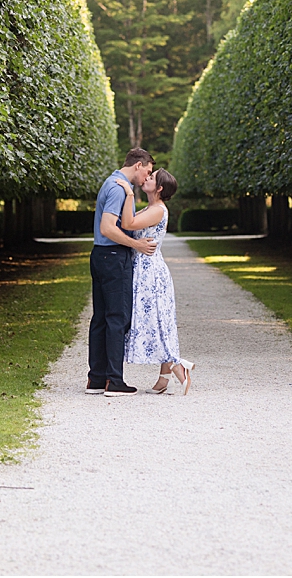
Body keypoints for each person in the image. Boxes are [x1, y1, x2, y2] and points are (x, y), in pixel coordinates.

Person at [115, 168, 194, 395]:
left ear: (159, 188)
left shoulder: (158, 210)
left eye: (151, 177)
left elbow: (128, 224)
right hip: (144, 269)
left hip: (150, 272)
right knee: (158, 320)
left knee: (157, 321)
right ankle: (165, 377)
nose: (146, 178)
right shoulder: (151, 208)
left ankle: (178, 366)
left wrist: (130, 194)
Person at [87, 148, 157, 397]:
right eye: (147, 171)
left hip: (100, 255)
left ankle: (96, 379)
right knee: (117, 318)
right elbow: (107, 228)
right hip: (114, 257)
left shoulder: (111, 182)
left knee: (100, 318)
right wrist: (136, 244)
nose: (146, 177)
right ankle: (114, 380)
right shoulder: (118, 188)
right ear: (138, 165)